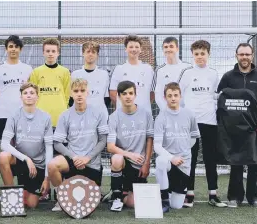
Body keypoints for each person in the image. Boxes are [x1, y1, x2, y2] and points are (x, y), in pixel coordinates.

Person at [217, 43, 257, 208]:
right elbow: (220, 100)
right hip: (234, 129)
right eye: (241, 54)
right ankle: (234, 197)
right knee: (236, 163)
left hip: (256, 128)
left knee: (256, 163)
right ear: (236, 56)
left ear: (252, 56)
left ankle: (254, 197)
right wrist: (225, 123)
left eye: (247, 54)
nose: (244, 57)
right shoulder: (228, 77)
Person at [177, 40, 226, 208]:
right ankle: (189, 193)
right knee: (190, 157)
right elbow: (179, 96)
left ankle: (213, 193)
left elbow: (214, 96)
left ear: (208, 54)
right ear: (193, 55)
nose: (199, 57)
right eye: (196, 54)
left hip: (210, 121)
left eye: (202, 53)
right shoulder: (187, 73)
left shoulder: (213, 73)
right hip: (191, 122)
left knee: (210, 157)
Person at [48, 78, 109, 211]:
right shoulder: (65, 115)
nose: (79, 94)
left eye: (82, 91)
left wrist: (87, 157)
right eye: (76, 91)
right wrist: (74, 157)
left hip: (91, 163)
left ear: (88, 93)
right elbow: (57, 143)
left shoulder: (99, 113)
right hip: (72, 162)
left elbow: (103, 141)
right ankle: (61, 197)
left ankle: (81, 190)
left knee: (88, 205)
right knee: (52, 165)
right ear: (71, 93)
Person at [0, 82, 53, 208]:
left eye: (32, 93)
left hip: (38, 165)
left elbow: (49, 149)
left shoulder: (46, 117)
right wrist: (26, 159)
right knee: (3, 156)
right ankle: (12, 197)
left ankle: (27, 192)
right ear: (21, 97)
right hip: (22, 162)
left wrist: (47, 178)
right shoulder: (14, 116)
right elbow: (4, 144)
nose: (29, 95)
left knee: (31, 204)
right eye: (25, 93)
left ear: (37, 97)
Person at [154, 82, 201, 213]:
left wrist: (184, 152)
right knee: (160, 161)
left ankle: (169, 194)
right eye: (170, 95)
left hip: (183, 164)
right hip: (169, 162)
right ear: (165, 98)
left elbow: (194, 137)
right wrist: (172, 157)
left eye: (175, 95)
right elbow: (157, 145)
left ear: (180, 96)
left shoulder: (189, 115)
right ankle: (164, 199)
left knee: (176, 205)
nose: (173, 98)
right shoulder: (160, 118)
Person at [107, 81, 154, 212]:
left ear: (135, 95)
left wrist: (147, 163)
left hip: (139, 165)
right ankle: (116, 197)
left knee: (133, 203)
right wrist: (129, 154)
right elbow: (110, 147)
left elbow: (150, 139)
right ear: (119, 96)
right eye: (124, 93)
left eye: (131, 93)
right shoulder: (113, 117)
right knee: (116, 158)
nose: (128, 96)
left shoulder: (146, 114)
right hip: (124, 162)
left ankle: (124, 194)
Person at [0, 35, 33, 145]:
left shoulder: (27, 69)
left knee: (23, 144)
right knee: (7, 146)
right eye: (11, 46)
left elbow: (31, 91)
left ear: (20, 49)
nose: (13, 49)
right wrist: (3, 105)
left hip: (23, 113)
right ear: (6, 49)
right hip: (4, 114)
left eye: (16, 46)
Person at [28, 38, 71, 128]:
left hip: (59, 116)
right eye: (47, 51)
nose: (50, 54)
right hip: (40, 117)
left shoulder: (65, 72)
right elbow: (32, 94)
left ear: (58, 53)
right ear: (43, 53)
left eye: (53, 51)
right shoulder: (36, 72)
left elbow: (67, 95)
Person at [109, 35, 154, 113]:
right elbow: (113, 93)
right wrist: (123, 106)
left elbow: (152, 92)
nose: (134, 49)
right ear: (126, 49)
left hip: (143, 114)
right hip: (124, 114)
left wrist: (143, 104)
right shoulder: (119, 69)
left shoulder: (148, 69)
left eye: (137, 47)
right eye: (131, 47)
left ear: (140, 49)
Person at [151, 37, 191, 111]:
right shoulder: (159, 70)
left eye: (171, 46)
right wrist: (167, 110)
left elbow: (190, 91)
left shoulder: (188, 67)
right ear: (163, 50)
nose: (168, 49)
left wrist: (184, 110)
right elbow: (158, 94)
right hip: (167, 113)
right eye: (166, 47)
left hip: (185, 112)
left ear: (177, 48)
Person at [71, 41, 110, 109]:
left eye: (93, 52)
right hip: (80, 114)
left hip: (99, 115)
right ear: (83, 53)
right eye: (88, 51)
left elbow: (107, 98)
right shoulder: (75, 74)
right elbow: (71, 98)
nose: (90, 54)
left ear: (97, 55)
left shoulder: (104, 75)